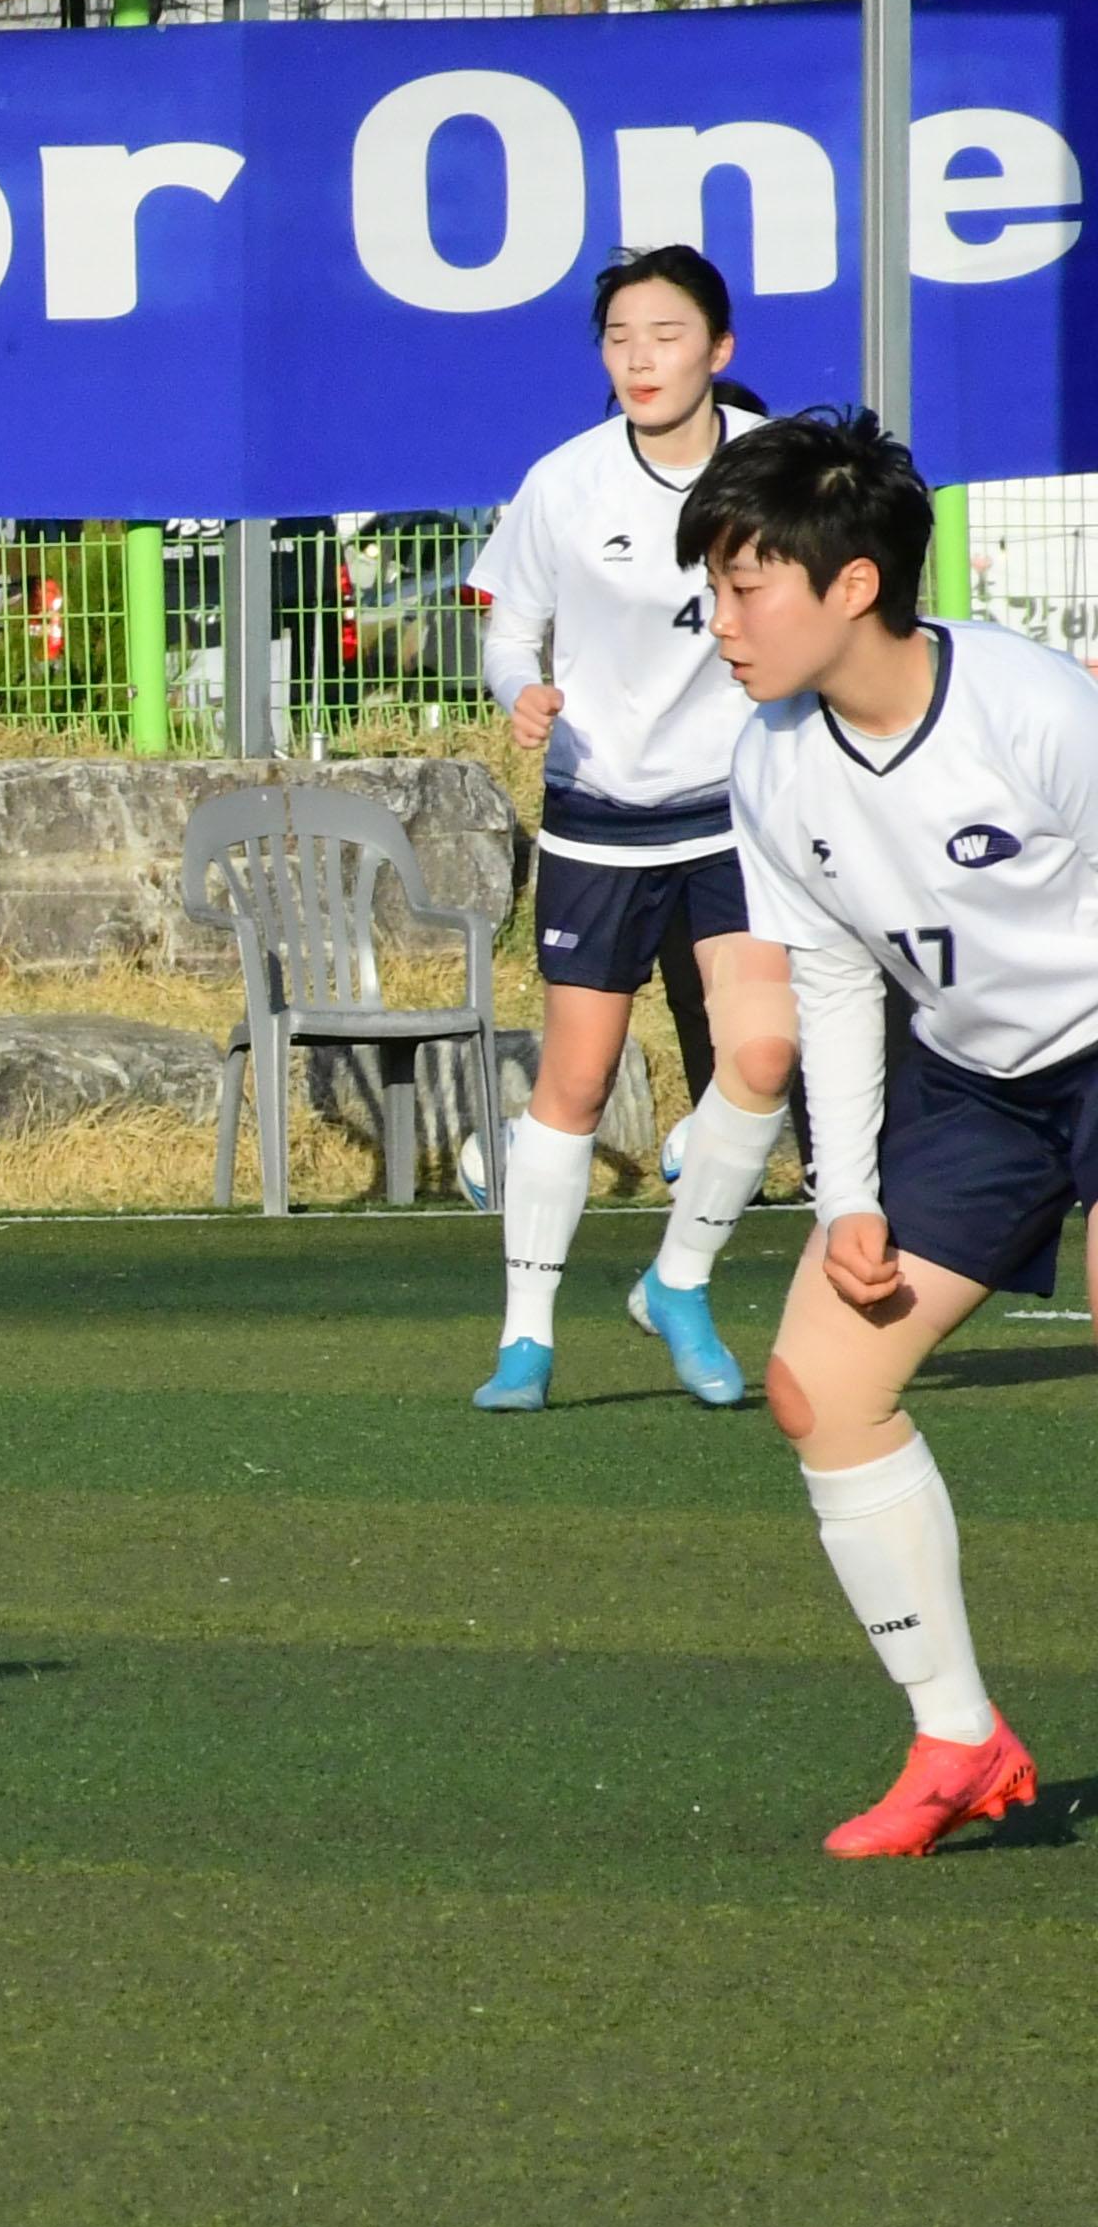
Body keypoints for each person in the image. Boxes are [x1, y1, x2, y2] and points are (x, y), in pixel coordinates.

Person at [695, 408, 1088, 1856]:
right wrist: (843, 1195)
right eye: (713, 591)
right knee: (821, 1383)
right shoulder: (772, 759)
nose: (721, 621)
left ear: (851, 584)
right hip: (975, 1086)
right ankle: (960, 1739)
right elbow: (840, 977)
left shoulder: (1034, 706)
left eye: (745, 587)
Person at [467, 245, 795, 1412]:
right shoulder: (565, 479)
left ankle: (681, 1280)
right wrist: (523, 690)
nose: (640, 358)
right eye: (619, 339)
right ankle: (527, 1339)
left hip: (742, 808)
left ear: (721, 349)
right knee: (576, 1076)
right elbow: (510, 628)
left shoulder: (780, 468)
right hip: (600, 816)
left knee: (761, 1055)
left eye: (665, 334)